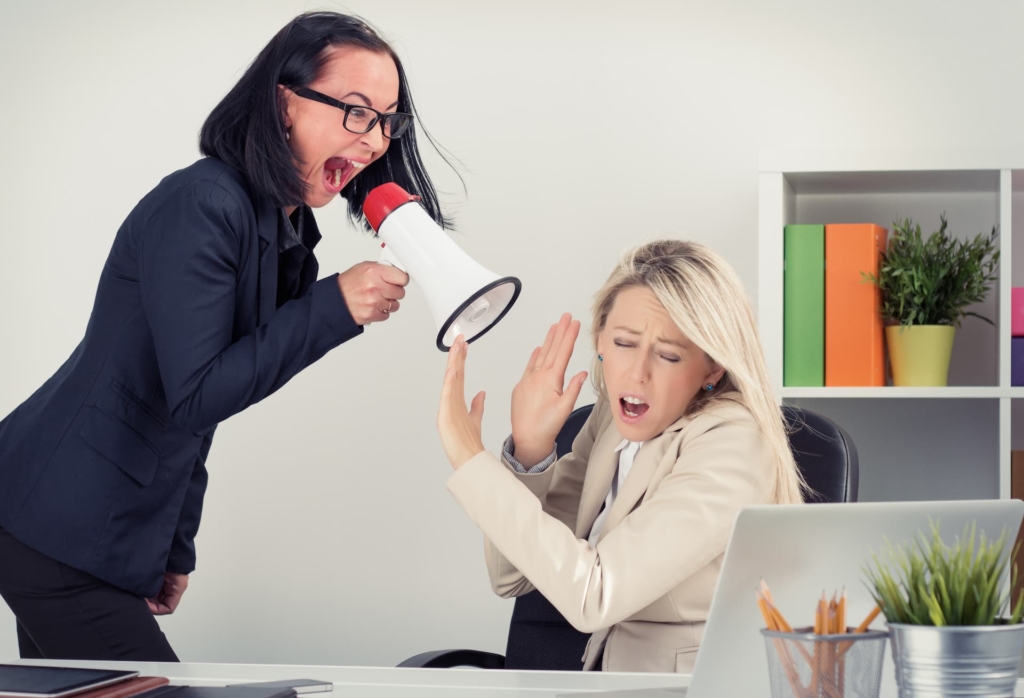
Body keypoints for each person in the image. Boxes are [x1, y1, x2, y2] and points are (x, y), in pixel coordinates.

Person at [0, 11, 448, 661]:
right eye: (356, 111)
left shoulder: (288, 233)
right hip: (55, 514)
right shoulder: (204, 203)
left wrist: (173, 542)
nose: (376, 139)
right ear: (285, 104)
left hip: (81, 522)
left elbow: (204, 411)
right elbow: (199, 394)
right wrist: (335, 307)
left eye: (386, 119)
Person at [435, 239, 806, 673]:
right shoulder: (611, 418)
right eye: (625, 343)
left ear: (711, 367)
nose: (637, 373)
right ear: (600, 340)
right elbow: (511, 576)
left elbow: (595, 595)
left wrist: (470, 460)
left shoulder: (735, 443)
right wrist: (529, 454)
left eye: (668, 355)